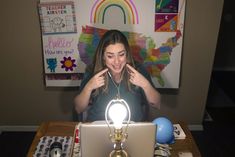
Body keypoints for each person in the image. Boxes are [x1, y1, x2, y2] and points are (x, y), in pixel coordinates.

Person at [74, 29, 161, 122]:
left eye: (121, 54)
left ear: (126, 53)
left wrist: (145, 84)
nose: (117, 61)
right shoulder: (93, 71)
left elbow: (157, 104)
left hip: (133, 130)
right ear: (103, 56)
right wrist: (89, 87)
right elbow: (79, 108)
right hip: (100, 130)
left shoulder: (138, 70)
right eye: (110, 56)